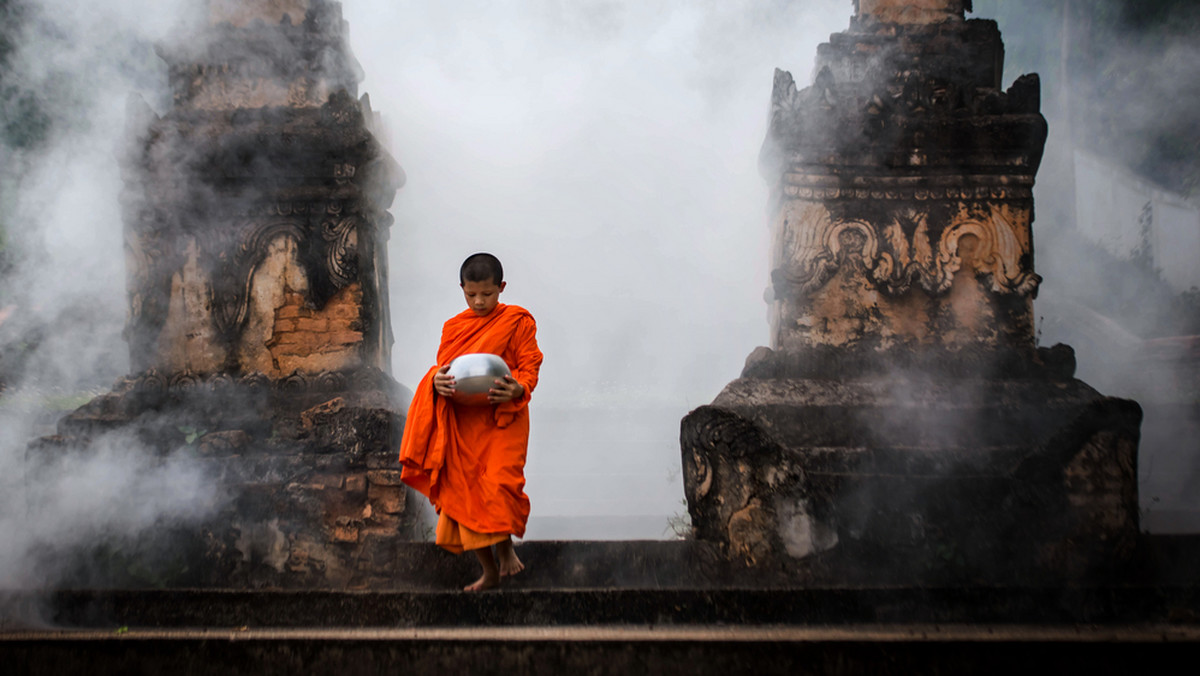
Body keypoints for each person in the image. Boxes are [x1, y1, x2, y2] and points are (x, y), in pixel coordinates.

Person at [398, 252, 544, 591]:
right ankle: (489, 569)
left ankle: (505, 549)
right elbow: (445, 368)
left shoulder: (519, 321)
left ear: (501, 288)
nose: (479, 302)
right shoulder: (454, 327)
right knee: (463, 492)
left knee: (499, 483)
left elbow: (529, 364)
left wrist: (518, 387)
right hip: (463, 421)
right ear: (462, 289)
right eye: (471, 294)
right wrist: (434, 381)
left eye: (488, 294)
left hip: (503, 418)